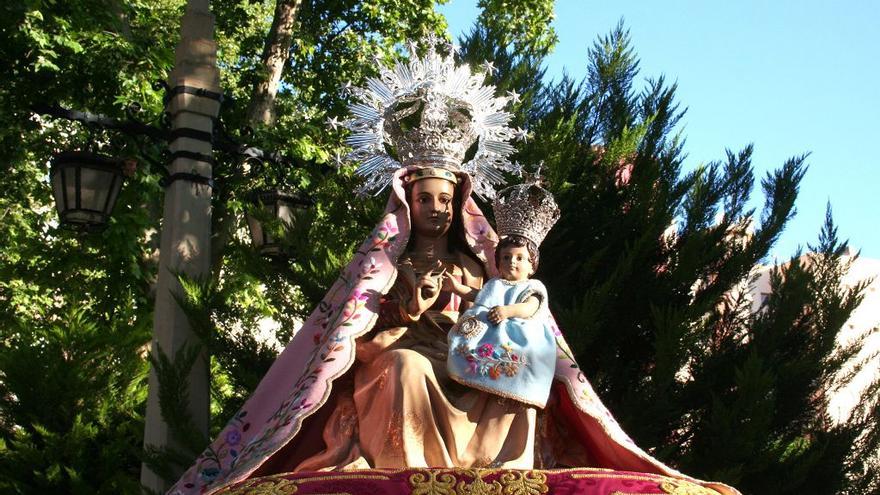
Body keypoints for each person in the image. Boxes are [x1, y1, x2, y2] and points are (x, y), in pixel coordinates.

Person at [169, 37, 740, 495]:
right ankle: (412, 474)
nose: (437, 209)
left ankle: (505, 476)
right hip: (401, 367)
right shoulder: (380, 270)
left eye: (446, 200)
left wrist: (486, 314)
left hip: (474, 365)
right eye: (426, 200)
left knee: (520, 380)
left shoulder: (484, 264)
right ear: (406, 203)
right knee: (405, 370)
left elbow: (525, 324)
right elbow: (348, 353)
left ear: (459, 204)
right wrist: (403, 316)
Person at [446, 181, 561, 409]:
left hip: (517, 332)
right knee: (463, 347)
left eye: (519, 258)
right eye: (506, 257)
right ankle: (473, 377)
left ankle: (511, 384)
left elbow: (530, 308)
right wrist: (458, 289)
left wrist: (508, 311)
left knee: (515, 354)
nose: (511, 262)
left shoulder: (533, 286)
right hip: (486, 328)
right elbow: (481, 296)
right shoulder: (495, 284)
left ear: (532, 265)